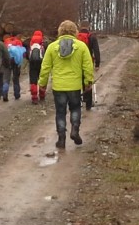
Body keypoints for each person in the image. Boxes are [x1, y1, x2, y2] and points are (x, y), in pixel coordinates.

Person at [38, 20, 94, 149]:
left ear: (60, 31)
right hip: (74, 86)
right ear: (75, 31)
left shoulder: (52, 47)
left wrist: (42, 83)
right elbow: (88, 66)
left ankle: (61, 138)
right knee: (75, 108)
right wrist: (88, 82)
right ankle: (75, 129)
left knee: (60, 112)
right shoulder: (81, 46)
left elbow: (45, 67)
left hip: (58, 86)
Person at [77, 24, 102, 111]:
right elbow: (96, 51)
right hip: (88, 62)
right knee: (88, 81)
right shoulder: (92, 37)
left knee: (79, 80)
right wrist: (97, 64)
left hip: (77, 62)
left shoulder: (76, 37)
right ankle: (88, 104)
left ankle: (78, 101)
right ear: (88, 27)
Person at [26, 30, 47, 104]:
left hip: (32, 64)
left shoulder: (30, 43)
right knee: (42, 78)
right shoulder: (44, 43)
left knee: (33, 79)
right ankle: (42, 94)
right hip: (42, 63)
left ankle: (34, 97)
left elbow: (26, 54)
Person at [5, 35, 26, 100]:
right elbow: (23, 53)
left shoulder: (6, 42)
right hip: (16, 62)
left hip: (8, 60)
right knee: (16, 78)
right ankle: (17, 94)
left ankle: (5, 94)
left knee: (6, 78)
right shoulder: (19, 42)